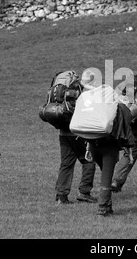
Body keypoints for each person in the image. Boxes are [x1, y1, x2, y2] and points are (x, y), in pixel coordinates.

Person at [55, 72, 97, 205]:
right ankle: (84, 193)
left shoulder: (64, 91)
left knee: (66, 164)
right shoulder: (83, 91)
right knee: (89, 160)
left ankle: (61, 196)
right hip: (78, 132)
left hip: (63, 132)